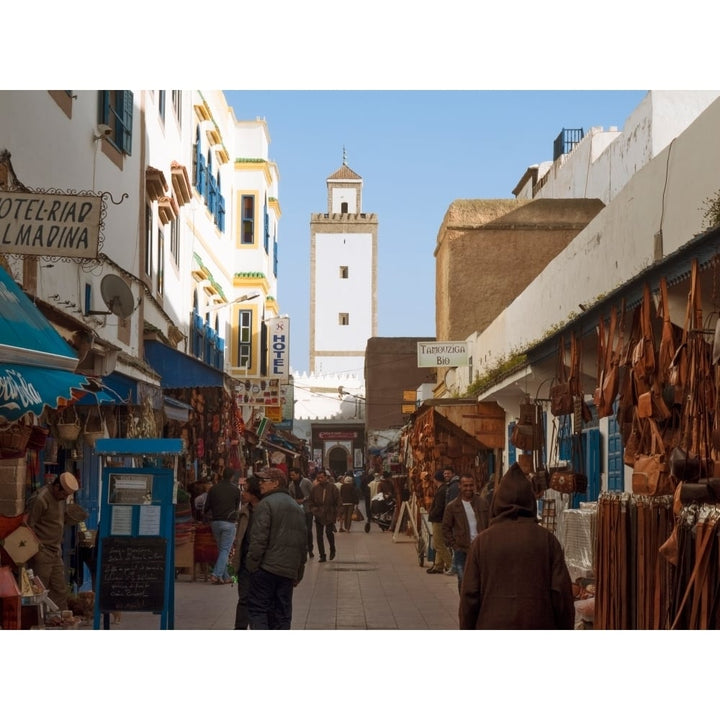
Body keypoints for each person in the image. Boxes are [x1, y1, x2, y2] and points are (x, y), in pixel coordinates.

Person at [459, 462, 575, 630]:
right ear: (530, 501)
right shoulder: (547, 541)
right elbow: (562, 597)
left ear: (497, 502)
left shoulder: (481, 542)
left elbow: (469, 598)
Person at [246, 467, 307, 630]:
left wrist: (252, 566)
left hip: (267, 569)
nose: (260, 484)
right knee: (282, 613)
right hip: (287, 572)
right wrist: (299, 571)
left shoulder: (265, 504)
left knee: (259, 610)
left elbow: (258, 539)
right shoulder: (296, 507)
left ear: (276, 483)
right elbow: (303, 543)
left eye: (264, 481)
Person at [26, 472, 87, 611]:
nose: (64, 498)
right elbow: (28, 526)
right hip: (41, 551)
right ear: (57, 486)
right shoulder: (40, 499)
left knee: (59, 589)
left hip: (55, 550)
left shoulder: (60, 499)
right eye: (64, 494)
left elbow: (57, 520)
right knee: (40, 590)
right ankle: (39, 622)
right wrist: (36, 550)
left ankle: (61, 618)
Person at [442, 472, 486, 592]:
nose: (468, 488)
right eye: (465, 485)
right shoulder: (452, 507)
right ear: (460, 486)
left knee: (481, 581)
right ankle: (465, 608)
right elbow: (446, 528)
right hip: (462, 550)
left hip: (481, 549)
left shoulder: (482, 503)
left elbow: (490, 523)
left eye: (471, 485)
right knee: (463, 581)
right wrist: (455, 545)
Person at [231, 475, 262, 630]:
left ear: (254, 493)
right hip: (243, 564)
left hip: (260, 565)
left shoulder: (265, 511)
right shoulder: (244, 512)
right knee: (243, 599)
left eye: (246, 490)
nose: (242, 493)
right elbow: (239, 539)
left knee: (259, 601)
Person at [204, 467, 241, 585]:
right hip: (229, 523)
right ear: (232, 477)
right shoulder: (235, 490)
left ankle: (225, 577)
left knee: (222, 550)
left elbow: (206, 507)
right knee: (225, 550)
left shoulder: (213, 489)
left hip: (215, 523)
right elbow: (237, 509)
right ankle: (216, 574)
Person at [308, 468, 340, 562]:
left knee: (329, 533)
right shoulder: (315, 489)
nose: (320, 479)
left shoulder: (333, 488)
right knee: (319, 535)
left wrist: (338, 512)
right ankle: (322, 555)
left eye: (322, 477)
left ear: (326, 477)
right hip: (319, 514)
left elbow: (338, 500)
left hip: (329, 513)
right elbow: (311, 501)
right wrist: (314, 510)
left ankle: (332, 549)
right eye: (319, 478)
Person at [426, 470, 452, 574]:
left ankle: (450, 564)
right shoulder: (443, 489)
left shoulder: (442, 491)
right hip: (440, 518)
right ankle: (438, 565)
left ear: (436, 479)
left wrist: (431, 514)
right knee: (439, 543)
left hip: (438, 520)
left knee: (439, 544)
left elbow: (439, 507)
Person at [288, 467, 314, 558]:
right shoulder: (291, 485)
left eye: (293, 475)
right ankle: (302, 548)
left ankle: (310, 549)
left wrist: (304, 499)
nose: (292, 477)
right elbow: (290, 497)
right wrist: (295, 501)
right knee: (300, 530)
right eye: (290, 475)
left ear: (298, 474)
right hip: (297, 510)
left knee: (308, 530)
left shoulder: (306, 482)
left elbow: (313, 493)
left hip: (308, 509)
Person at [443, 466, 460, 576]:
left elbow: (452, 505)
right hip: (455, 519)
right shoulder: (451, 485)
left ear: (453, 474)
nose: (446, 475)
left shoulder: (454, 487)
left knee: (455, 544)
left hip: (455, 520)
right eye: (445, 474)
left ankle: (455, 567)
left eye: (448, 473)